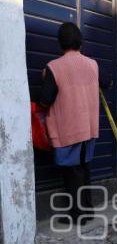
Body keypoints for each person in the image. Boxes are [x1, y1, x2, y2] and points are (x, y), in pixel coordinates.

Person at [39, 22, 101, 226]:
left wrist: (44, 79)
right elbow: (102, 82)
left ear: (60, 43)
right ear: (80, 42)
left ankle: (77, 216)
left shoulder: (54, 67)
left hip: (68, 129)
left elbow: (45, 100)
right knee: (84, 169)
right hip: (89, 128)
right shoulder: (93, 64)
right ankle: (88, 210)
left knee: (72, 173)